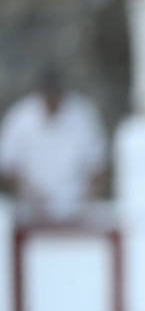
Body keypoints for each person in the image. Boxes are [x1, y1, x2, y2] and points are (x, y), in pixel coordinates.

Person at [0, 66, 107, 226]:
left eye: (55, 95)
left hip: (77, 213)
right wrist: (30, 193)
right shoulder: (20, 118)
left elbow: (99, 164)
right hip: (29, 215)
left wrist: (85, 199)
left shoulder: (83, 115)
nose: (52, 101)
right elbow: (7, 166)